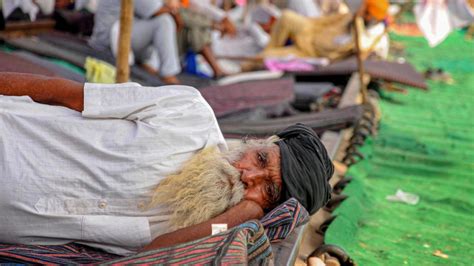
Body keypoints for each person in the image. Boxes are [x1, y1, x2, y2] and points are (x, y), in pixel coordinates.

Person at [0, 72, 334, 255]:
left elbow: (153, 256)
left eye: (268, 188)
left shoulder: (205, 231)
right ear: (255, 143)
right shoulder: (189, 111)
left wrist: (239, 215)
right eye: (260, 159)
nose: (248, 175)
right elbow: (64, 93)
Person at [89, 0, 182, 84]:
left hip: (115, 36)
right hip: (111, 39)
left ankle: (150, 64)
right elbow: (157, 10)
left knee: (158, 21)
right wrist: (174, 11)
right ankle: (168, 74)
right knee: (165, 21)